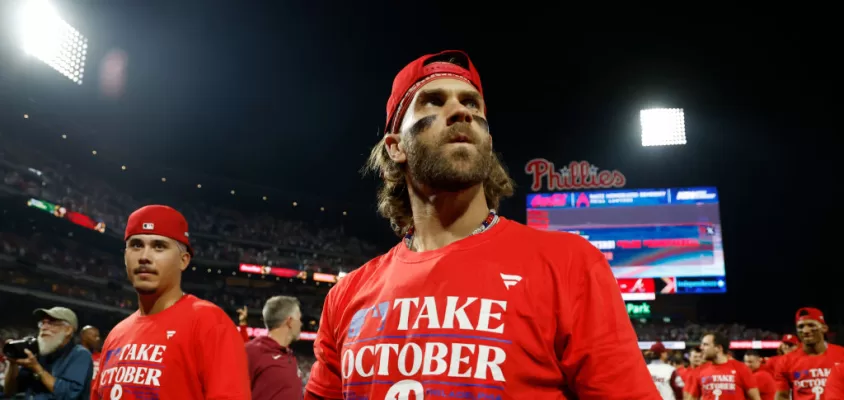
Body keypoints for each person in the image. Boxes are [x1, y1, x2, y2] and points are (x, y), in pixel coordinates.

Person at [305, 50, 659, 399]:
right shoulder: (345, 297)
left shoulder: (569, 265)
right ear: (396, 147)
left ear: (487, 142)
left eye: (472, 104)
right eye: (433, 101)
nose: (461, 111)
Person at [91, 205, 251, 400]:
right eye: (136, 245)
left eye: (159, 246)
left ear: (184, 261)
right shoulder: (115, 335)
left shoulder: (210, 323)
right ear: (125, 256)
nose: (144, 257)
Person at [3, 307, 93, 399]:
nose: (44, 327)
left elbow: (68, 394)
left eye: (52, 323)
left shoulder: (80, 354)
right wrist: (12, 363)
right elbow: (9, 392)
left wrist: (37, 368)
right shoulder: (38, 352)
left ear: (68, 330)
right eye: (42, 323)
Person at [773, 307, 844, 400]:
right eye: (801, 326)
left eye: (811, 325)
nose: (806, 331)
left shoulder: (841, 354)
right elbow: (782, 396)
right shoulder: (785, 361)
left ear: (824, 328)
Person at [243, 296, 304, 400]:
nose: (301, 324)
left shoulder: (288, 355)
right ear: (289, 322)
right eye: (299, 319)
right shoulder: (252, 352)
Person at [685, 332, 761, 400]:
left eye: (705, 344)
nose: (701, 348)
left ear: (718, 348)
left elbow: (755, 398)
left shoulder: (741, 368)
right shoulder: (699, 371)